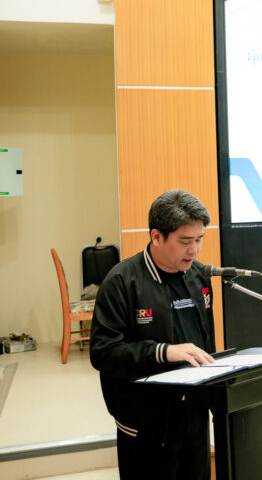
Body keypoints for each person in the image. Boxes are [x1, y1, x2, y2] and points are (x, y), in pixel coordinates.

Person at [91, 189, 217, 480]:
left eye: (199, 240)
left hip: (194, 417)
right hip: (145, 423)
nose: (194, 250)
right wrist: (163, 351)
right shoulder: (121, 282)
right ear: (156, 236)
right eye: (185, 241)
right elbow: (103, 353)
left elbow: (204, 340)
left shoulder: (198, 275)